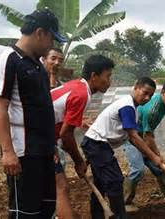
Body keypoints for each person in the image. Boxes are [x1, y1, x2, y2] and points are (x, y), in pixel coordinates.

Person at [0, 9, 67, 218]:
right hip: (24, 152)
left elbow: (43, 108)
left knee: (46, 209)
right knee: (25, 212)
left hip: (43, 151)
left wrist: (51, 146)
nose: (52, 45)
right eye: (52, 38)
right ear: (40, 33)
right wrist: (8, 152)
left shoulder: (38, 66)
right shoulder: (8, 59)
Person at [81, 77, 163, 219]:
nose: (147, 97)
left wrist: (152, 155)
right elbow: (133, 136)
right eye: (145, 92)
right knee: (115, 180)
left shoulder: (132, 107)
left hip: (95, 144)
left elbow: (130, 137)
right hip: (97, 144)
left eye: (150, 95)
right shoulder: (127, 106)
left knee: (100, 182)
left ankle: (97, 215)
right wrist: (153, 156)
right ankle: (120, 216)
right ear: (136, 87)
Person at [48, 54, 115, 218]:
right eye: (108, 76)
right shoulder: (82, 94)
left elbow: (61, 114)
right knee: (61, 188)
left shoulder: (77, 86)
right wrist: (79, 161)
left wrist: (80, 121)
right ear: (94, 76)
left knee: (53, 188)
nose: (110, 81)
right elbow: (66, 135)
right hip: (35, 137)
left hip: (41, 137)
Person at [123, 80, 165, 208]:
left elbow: (148, 135)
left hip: (143, 138)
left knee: (160, 169)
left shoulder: (162, 103)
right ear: (163, 93)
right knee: (138, 170)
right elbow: (148, 137)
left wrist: (158, 159)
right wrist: (158, 155)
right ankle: (124, 202)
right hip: (131, 139)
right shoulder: (154, 109)